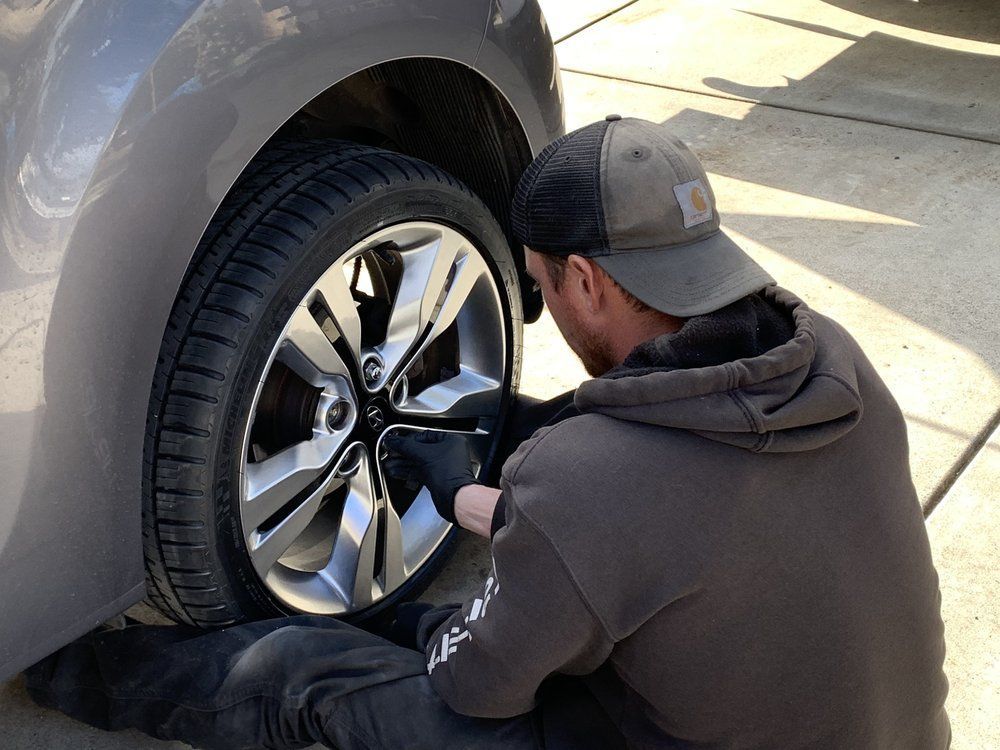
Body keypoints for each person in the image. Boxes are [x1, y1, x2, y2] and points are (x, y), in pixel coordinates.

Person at [24, 117, 950, 749]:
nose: (541, 302)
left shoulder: (586, 486)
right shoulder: (828, 355)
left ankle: (62, 668)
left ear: (585, 280)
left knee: (310, 669)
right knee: (419, 617)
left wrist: (495, 527)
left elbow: (476, 690)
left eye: (542, 284)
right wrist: (499, 498)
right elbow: (645, 509)